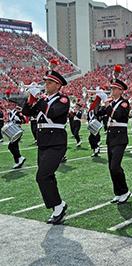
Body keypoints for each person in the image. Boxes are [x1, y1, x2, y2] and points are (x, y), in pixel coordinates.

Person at [22, 69, 69, 224]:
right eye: (45, 82)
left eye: (49, 82)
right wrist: (31, 96)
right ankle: (59, 205)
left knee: (42, 176)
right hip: (44, 142)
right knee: (47, 176)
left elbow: (53, 113)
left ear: (58, 85)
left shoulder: (62, 100)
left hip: (56, 142)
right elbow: (27, 112)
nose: (45, 85)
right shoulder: (44, 99)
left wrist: (40, 98)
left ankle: (58, 207)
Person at [97, 77, 131, 204]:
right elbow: (99, 113)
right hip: (111, 137)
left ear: (121, 91)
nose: (112, 90)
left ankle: (125, 190)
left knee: (115, 166)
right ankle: (118, 192)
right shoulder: (110, 102)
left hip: (120, 137)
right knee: (111, 167)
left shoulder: (124, 103)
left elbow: (117, 115)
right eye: (111, 88)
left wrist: (106, 103)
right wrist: (98, 102)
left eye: (114, 88)